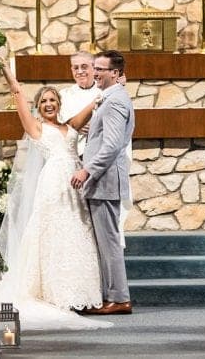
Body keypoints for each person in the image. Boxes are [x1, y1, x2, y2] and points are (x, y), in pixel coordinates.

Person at [0, 62, 102, 314]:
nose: (49, 104)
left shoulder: (69, 126)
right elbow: (17, 93)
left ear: (59, 104)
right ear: (38, 105)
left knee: (77, 231)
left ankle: (79, 291)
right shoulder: (35, 127)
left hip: (75, 185)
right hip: (53, 184)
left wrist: (104, 93)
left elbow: (91, 107)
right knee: (54, 232)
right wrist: (5, 67)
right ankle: (54, 292)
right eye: (44, 100)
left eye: (53, 100)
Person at [70, 50, 135, 315]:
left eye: (101, 69)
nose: (95, 73)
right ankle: (112, 295)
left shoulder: (115, 100)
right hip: (103, 180)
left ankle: (119, 298)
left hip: (104, 180)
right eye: (94, 68)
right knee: (105, 240)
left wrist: (87, 171)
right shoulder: (109, 98)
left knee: (109, 241)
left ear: (116, 73)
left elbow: (111, 146)